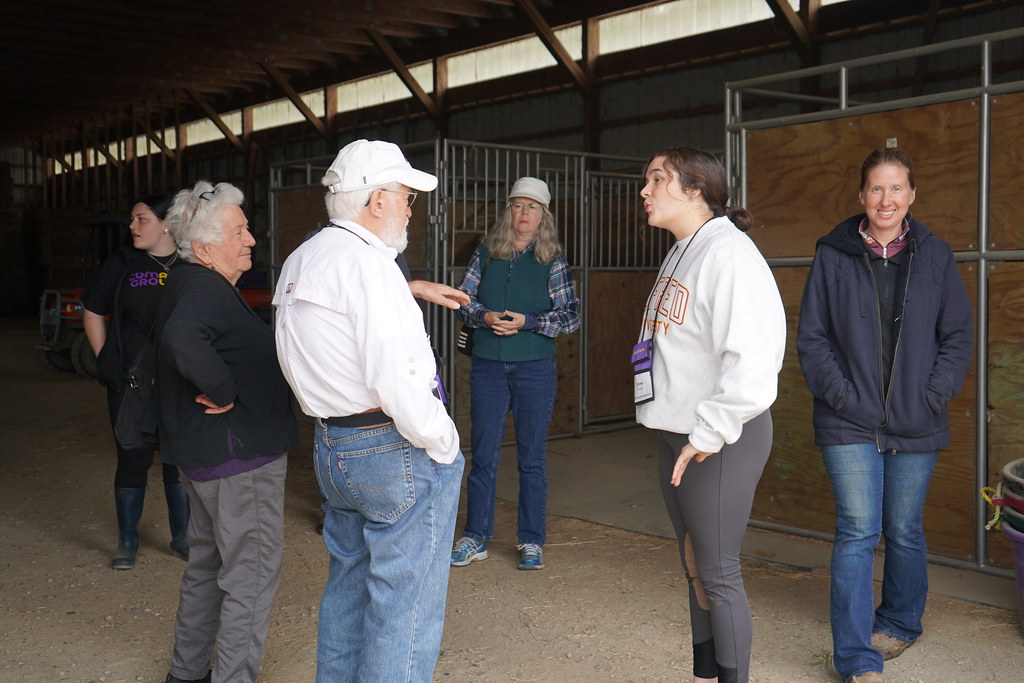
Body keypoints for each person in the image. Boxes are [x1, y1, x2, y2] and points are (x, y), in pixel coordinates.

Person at [274, 139, 464, 683]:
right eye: (406, 196)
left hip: (333, 442)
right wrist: (443, 442)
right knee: (405, 604)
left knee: (349, 588)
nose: (410, 209)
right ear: (377, 200)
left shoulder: (305, 257)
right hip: (388, 444)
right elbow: (399, 377)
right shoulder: (371, 265)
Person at [797, 148, 972, 683]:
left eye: (897, 188)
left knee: (903, 528)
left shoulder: (935, 255)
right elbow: (812, 338)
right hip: (848, 417)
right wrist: (844, 397)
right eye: (877, 188)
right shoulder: (833, 254)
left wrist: (931, 396)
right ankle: (856, 657)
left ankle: (898, 621)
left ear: (912, 195)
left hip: (916, 416)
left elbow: (957, 337)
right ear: (861, 195)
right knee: (857, 529)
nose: (886, 199)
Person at [635, 147, 786, 683]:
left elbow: (753, 359)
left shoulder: (730, 254)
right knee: (694, 565)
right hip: (677, 432)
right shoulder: (684, 249)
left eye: (658, 179)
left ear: (695, 189)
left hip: (719, 438)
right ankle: (704, 675)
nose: (645, 190)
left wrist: (709, 433)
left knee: (718, 572)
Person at [156, 180, 299, 683]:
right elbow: (182, 338)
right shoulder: (203, 288)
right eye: (238, 232)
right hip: (239, 458)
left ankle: (187, 673)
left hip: (208, 457)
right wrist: (224, 391)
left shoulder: (189, 282)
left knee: (207, 566)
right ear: (203, 248)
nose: (251, 239)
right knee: (250, 574)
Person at [449, 176, 580, 571]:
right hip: (488, 364)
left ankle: (531, 540)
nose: (524, 213)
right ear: (509, 210)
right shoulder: (488, 251)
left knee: (531, 458)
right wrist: (484, 316)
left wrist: (530, 322)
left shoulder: (552, 260)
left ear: (544, 215)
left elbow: (570, 316)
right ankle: (475, 536)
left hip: (534, 368)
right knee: (483, 454)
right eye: (518, 205)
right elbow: (463, 299)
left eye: (532, 207)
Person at [82, 195, 190, 570]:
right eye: (132, 219)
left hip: (179, 381)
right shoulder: (123, 263)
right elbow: (93, 310)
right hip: (131, 380)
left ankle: (182, 536)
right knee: (132, 456)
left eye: (141, 219)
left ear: (167, 224)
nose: (132, 225)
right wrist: (106, 358)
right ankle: (127, 539)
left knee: (178, 458)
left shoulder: (190, 262)